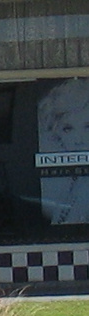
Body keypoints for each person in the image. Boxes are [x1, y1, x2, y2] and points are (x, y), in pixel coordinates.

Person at [37, 77, 89, 225]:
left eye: (88, 127)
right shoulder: (75, 179)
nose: (78, 140)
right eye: (68, 129)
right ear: (57, 133)